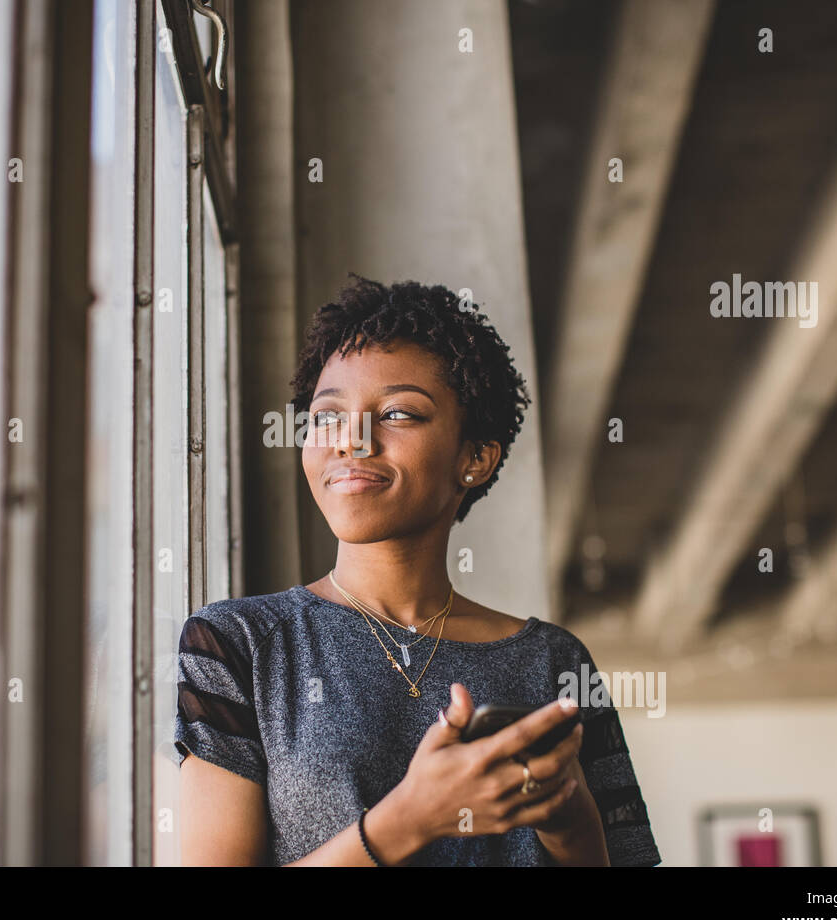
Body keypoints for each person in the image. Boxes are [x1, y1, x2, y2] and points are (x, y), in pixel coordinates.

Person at [175, 274, 661, 866]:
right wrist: (408, 820)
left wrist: (570, 821)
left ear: (475, 458)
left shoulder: (553, 662)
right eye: (328, 416)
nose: (351, 440)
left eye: (400, 413)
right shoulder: (238, 644)